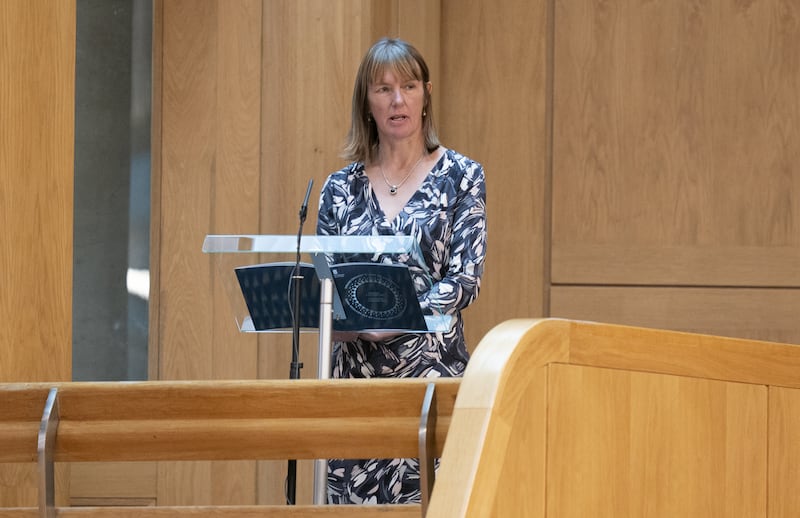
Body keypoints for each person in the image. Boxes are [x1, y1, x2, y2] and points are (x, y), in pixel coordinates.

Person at [316, 37, 487, 504]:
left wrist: (395, 318)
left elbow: (465, 278)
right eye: (383, 88)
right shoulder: (338, 189)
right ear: (366, 103)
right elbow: (325, 284)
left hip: (431, 380)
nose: (397, 100)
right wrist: (348, 326)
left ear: (426, 94)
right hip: (356, 391)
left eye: (408, 86)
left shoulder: (462, 176)